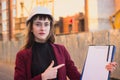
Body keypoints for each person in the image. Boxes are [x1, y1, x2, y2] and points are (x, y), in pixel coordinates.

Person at [14, 6, 117, 80]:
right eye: (38, 24)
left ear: (50, 27)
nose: (42, 28)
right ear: (31, 28)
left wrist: (102, 71)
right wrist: (43, 77)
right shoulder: (22, 56)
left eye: (46, 24)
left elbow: (77, 77)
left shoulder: (61, 50)